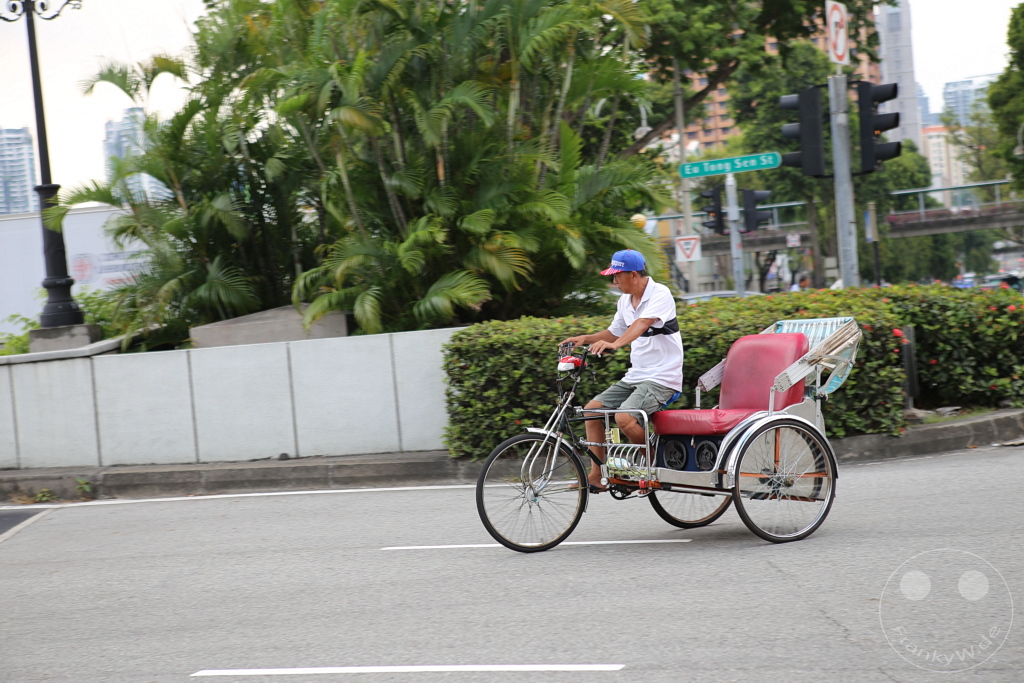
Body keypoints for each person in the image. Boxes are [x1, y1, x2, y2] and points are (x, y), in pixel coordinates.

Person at [560, 249, 683, 490]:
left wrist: (615, 345)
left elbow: (642, 323)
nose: (614, 282)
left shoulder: (660, 294)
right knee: (591, 410)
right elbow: (614, 331)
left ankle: (656, 462)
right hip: (637, 376)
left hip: (663, 378)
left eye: (617, 276)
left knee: (624, 417)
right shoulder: (625, 301)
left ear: (634, 275)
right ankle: (596, 475)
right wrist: (584, 338)